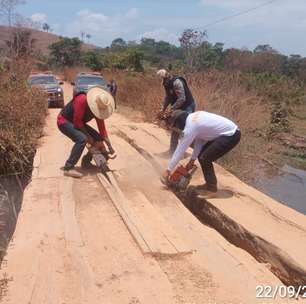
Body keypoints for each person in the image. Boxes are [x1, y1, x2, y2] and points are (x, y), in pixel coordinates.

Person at [162, 110, 241, 195]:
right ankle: (210, 185)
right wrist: (192, 160)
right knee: (202, 157)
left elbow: (180, 150)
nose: (177, 129)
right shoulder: (193, 118)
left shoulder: (191, 127)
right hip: (229, 132)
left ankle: (211, 189)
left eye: (176, 126)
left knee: (205, 158)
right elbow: (199, 141)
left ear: (179, 123)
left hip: (231, 135)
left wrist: (168, 170)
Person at [57, 86, 116, 178]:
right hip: (64, 121)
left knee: (98, 139)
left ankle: (86, 162)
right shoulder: (82, 100)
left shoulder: (98, 109)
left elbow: (102, 129)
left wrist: (109, 146)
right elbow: (77, 122)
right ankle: (68, 168)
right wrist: (88, 137)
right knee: (82, 139)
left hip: (78, 122)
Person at [157, 69, 196, 155]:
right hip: (179, 106)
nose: (162, 81)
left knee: (186, 130)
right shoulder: (167, 84)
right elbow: (168, 97)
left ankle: (186, 153)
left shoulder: (176, 82)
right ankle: (172, 152)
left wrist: (171, 109)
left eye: (162, 79)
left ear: (165, 77)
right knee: (175, 127)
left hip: (187, 106)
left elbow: (182, 98)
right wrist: (162, 109)